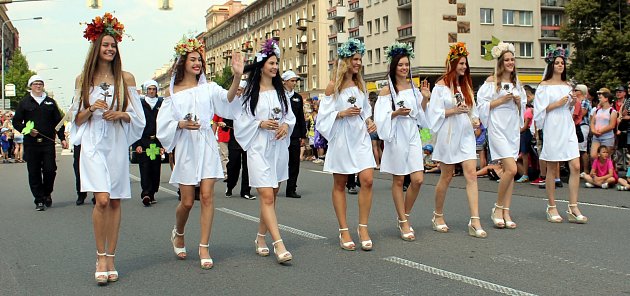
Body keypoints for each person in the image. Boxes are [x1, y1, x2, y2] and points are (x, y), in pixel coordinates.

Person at [70, 13, 145, 285]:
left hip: (114, 143)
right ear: (96, 47)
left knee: (114, 201)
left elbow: (138, 118)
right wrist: (90, 110)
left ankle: (111, 256)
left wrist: (120, 115)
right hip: (92, 144)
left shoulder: (126, 78)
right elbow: (75, 119)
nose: (110, 49)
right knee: (101, 199)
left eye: (113, 45)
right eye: (105, 45)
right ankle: (100, 256)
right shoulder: (83, 79)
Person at [157, 36, 243, 269]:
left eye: (200, 60)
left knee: (206, 196)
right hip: (186, 146)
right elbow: (163, 125)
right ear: (183, 62)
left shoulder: (209, 88)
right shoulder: (172, 93)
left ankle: (204, 246)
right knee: (186, 202)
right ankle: (179, 231)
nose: (197, 63)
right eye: (193, 59)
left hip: (205, 143)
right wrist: (180, 125)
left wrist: (236, 76)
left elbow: (227, 100)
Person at [234, 39, 296, 264]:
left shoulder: (281, 92)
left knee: (273, 195)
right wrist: (259, 124)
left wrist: (285, 126)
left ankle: (260, 238)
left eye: (276, 63)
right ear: (261, 66)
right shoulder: (250, 94)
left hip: (278, 148)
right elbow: (240, 122)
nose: (275, 67)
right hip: (258, 149)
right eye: (271, 63)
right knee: (267, 196)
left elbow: (289, 116)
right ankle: (279, 245)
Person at [316, 38, 378, 250]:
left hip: (359, 137)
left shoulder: (361, 85)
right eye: (355, 59)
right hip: (342, 138)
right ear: (346, 60)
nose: (358, 63)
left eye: (360, 59)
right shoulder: (333, 86)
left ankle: (363, 227)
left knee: (368, 180)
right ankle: (344, 230)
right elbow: (322, 119)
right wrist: (341, 113)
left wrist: (370, 122)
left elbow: (366, 111)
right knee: (340, 184)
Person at [426, 42, 487, 238]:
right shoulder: (441, 86)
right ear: (452, 64)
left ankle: (475, 220)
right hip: (448, 134)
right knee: (447, 175)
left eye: (465, 64)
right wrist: (453, 110)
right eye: (460, 63)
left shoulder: (466, 85)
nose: (463, 67)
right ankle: (437, 215)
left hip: (466, 134)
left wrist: (476, 120)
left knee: (471, 174)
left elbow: (473, 110)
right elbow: (433, 114)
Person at [374, 42, 429, 241]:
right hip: (396, 133)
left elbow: (421, 116)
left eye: (406, 64)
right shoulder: (387, 91)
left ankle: (403, 216)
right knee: (398, 179)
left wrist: (424, 99)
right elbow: (380, 117)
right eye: (400, 65)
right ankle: (404, 221)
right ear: (394, 67)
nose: (404, 68)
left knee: (418, 179)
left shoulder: (414, 88)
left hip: (412, 133)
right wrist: (395, 113)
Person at [534, 47, 587, 224]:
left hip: (567, 124)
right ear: (551, 65)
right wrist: (557, 103)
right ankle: (552, 206)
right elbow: (540, 111)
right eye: (557, 63)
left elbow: (571, 109)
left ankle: (573, 206)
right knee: (552, 166)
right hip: (553, 124)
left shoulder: (567, 86)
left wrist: (571, 102)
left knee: (576, 166)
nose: (560, 65)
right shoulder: (543, 86)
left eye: (562, 63)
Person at [477, 42, 526, 229]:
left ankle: (506, 210)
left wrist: (519, 102)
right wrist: (500, 100)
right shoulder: (491, 82)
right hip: (497, 128)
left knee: (509, 172)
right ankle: (497, 208)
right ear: (500, 62)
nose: (510, 63)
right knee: (512, 169)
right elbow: (481, 106)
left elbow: (521, 111)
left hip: (511, 129)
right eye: (507, 60)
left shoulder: (517, 83)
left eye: (512, 59)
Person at [13, 75, 68, 211]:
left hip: (48, 143)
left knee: (50, 170)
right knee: (34, 172)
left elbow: (59, 122)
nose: (38, 86)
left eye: (40, 84)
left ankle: (47, 192)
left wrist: (62, 138)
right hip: (31, 143)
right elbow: (16, 122)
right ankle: (39, 199)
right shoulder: (25, 102)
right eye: (35, 84)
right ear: (30, 86)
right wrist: (27, 131)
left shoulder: (50, 102)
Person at [132, 80, 164, 206]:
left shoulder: (161, 104)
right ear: (146, 90)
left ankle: (152, 193)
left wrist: (163, 145)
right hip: (144, 141)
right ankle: (145, 193)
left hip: (156, 141)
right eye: (149, 89)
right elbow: (136, 126)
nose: (151, 91)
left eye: (153, 89)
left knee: (155, 169)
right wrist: (137, 144)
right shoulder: (140, 104)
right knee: (145, 168)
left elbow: (164, 124)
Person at [224, 80, 256, 200]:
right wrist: (225, 124)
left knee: (248, 166)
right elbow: (227, 119)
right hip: (235, 139)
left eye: (240, 90)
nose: (238, 92)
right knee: (233, 164)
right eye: (236, 89)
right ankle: (230, 186)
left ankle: (246, 191)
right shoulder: (232, 103)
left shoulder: (250, 103)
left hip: (248, 138)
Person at [282, 70, 307, 198]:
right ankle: (274, 185)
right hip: (281, 134)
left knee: (294, 163)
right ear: (285, 81)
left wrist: (303, 135)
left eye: (295, 81)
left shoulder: (297, 97)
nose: (294, 83)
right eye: (292, 81)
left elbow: (301, 117)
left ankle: (291, 188)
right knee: (280, 161)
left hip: (294, 134)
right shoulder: (278, 95)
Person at [589, 91, 617, 162]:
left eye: (601, 98)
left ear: (606, 99)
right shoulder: (597, 110)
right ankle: (597, 170)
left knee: (606, 157)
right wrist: (593, 130)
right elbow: (592, 122)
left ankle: (608, 172)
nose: (599, 99)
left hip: (607, 137)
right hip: (596, 137)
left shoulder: (612, 111)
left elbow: (612, 125)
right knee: (593, 155)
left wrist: (600, 131)